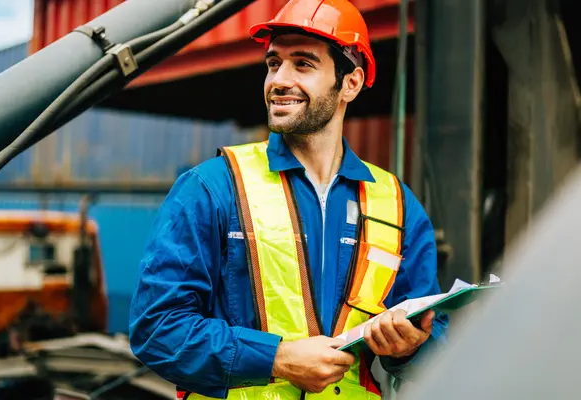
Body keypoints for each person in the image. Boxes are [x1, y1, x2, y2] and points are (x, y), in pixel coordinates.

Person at [129, 0, 448, 398]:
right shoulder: (213, 187)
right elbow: (157, 329)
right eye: (273, 63)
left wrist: (410, 348)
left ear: (350, 83)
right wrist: (276, 359)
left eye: (303, 64)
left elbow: (437, 337)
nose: (279, 79)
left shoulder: (395, 203)